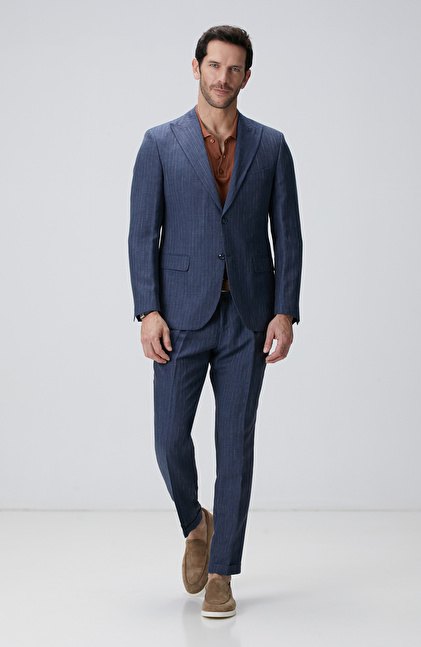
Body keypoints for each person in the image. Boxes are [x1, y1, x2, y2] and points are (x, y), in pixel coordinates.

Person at [128, 25, 302, 618]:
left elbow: (289, 236)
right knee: (169, 440)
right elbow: (141, 234)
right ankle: (195, 524)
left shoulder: (271, 146)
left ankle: (223, 569)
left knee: (235, 446)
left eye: (234, 69)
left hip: (248, 318)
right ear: (196, 67)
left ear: (246, 77)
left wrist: (285, 310)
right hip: (180, 316)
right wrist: (148, 309)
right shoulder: (160, 143)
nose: (222, 77)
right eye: (214, 65)